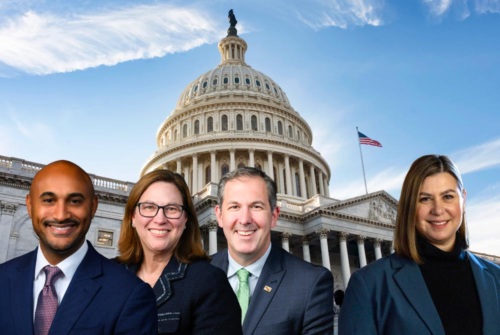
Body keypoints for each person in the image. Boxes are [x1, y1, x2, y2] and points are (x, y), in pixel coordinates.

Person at [339, 154, 500, 334]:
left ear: (463, 199)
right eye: (425, 199)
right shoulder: (370, 285)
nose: (438, 210)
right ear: (409, 206)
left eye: (448, 196)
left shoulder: (496, 277)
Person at [0, 160, 157, 334]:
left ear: (93, 207)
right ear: (29, 206)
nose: (60, 215)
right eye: (48, 200)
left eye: (75, 201)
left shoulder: (130, 293)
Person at [116, 169, 242, 335]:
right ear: (133, 217)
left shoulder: (209, 282)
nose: (160, 219)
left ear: (186, 220)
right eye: (148, 207)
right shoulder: (106, 275)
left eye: (172, 209)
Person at [211, 167, 334, 334]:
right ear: (219, 215)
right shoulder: (195, 274)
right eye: (234, 207)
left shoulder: (310, 283)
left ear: (274, 215)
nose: (245, 220)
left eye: (256, 206)